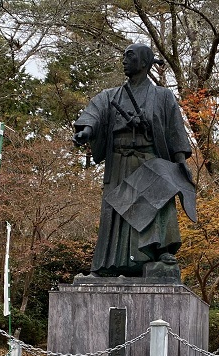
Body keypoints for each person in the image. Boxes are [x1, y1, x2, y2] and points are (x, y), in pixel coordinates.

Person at [73, 43, 194, 277]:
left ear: (144, 62)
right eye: (124, 56)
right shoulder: (111, 96)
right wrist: (86, 131)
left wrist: (180, 163)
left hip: (149, 161)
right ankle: (109, 264)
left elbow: (174, 131)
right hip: (119, 162)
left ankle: (160, 252)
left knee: (155, 202)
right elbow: (95, 112)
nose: (124, 60)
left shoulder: (162, 96)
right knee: (115, 210)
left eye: (130, 56)